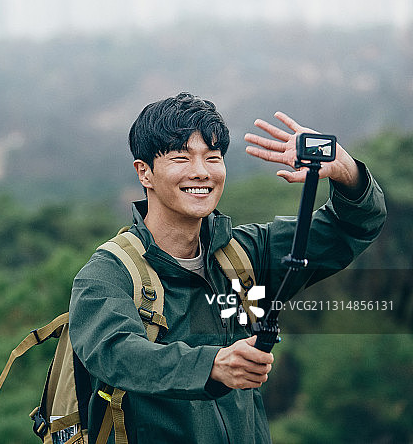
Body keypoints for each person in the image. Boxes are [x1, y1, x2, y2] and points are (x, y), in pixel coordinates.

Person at [68, 92, 386, 443]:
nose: (201, 172)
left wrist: (347, 172)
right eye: (180, 158)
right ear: (145, 173)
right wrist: (211, 366)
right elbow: (117, 354)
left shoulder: (245, 256)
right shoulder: (109, 274)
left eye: (213, 158)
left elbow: (351, 228)